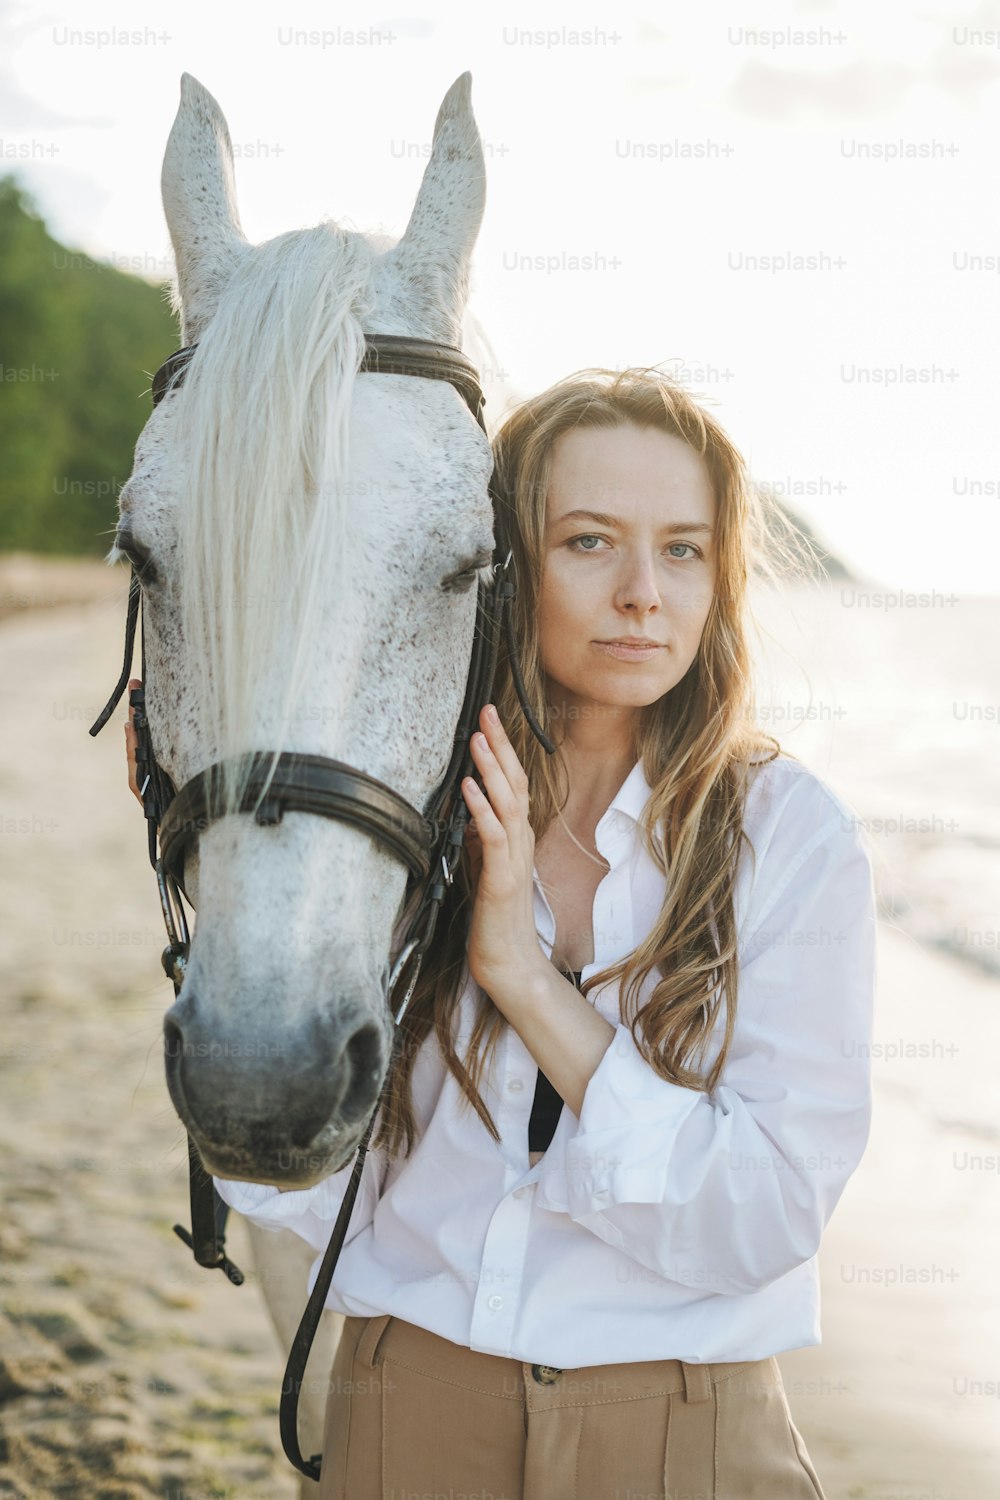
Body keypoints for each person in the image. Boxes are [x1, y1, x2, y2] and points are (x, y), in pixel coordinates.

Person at [126, 366, 874, 1499]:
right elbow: (309, 1195)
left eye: (682, 548)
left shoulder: (789, 836)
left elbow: (763, 1218)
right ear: (499, 572)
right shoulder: (394, 826)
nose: (642, 593)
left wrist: (523, 979)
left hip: (684, 1428)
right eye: (588, 542)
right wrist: (223, 866)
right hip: (403, 1407)